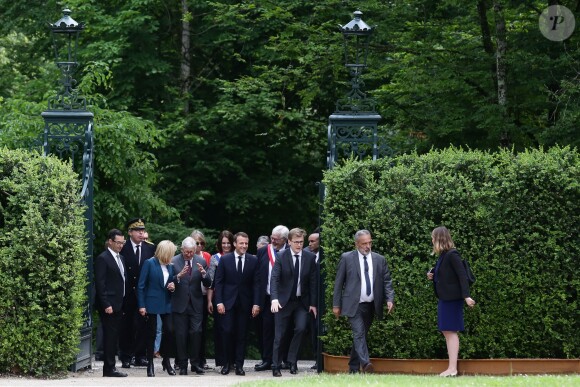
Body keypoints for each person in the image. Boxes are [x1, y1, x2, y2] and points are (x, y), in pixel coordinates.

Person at [333, 229, 395, 374]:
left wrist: (390, 298)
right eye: (364, 243)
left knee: (360, 336)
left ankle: (353, 368)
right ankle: (366, 364)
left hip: (371, 305)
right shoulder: (347, 258)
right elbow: (338, 283)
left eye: (369, 243)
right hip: (353, 304)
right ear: (356, 244)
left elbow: (387, 281)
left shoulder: (379, 259)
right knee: (359, 333)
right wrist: (336, 304)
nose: (368, 246)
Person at [427, 226, 476, 377]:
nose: (432, 240)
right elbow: (445, 275)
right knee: (446, 330)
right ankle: (451, 368)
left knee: (450, 331)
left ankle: (453, 369)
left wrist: (466, 296)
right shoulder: (443, 255)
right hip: (445, 299)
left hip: (453, 300)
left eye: (433, 238)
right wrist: (432, 275)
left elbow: (462, 276)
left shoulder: (452, 254)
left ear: (439, 238)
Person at [270, 228, 318, 377]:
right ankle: (276, 365)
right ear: (289, 242)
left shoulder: (309, 257)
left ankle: (292, 361)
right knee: (280, 335)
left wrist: (313, 303)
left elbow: (313, 282)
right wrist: (274, 298)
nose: (299, 245)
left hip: (301, 302)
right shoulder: (281, 256)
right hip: (283, 301)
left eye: (301, 242)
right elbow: (275, 278)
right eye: (296, 242)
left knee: (301, 329)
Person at [214, 232, 261, 376]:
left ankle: (239, 365)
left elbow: (256, 284)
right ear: (235, 244)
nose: (244, 246)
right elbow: (219, 282)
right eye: (241, 243)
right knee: (227, 332)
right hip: (227, 303)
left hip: (245, 304)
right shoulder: (225, 259)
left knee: (242, 335)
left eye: (246, 243)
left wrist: (256, 304)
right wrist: (219, 302)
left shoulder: (253, 260)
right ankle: (227, 363)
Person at [119, 218, 156, 368]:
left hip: (144, 293)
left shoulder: (149, 248)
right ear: (130, 232)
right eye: (138, 231)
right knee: (126, 326)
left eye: (142, 230)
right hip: (128, 293)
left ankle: (140, 355)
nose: (141, 233)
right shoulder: (123, 247)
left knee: (143, 325)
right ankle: (126, 356)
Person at [171, 237, 211, 375]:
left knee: (196, 332)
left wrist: (204, 274)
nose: (188, 254)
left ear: (195, 250)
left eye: (191, 252)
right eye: (186, 252)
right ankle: (182, 365)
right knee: (181, 335)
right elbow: (168, 282)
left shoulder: (201, 261)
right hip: (179, 303)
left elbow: (208, 283)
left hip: (196, 303)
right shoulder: (174, 261)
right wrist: (178, 277)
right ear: (182, 250)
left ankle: (195, 363)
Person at [137, 240, 177, 377]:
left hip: (166, 303)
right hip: (151, 302)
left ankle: (166, 361)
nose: (171, 256)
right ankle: (150, 364)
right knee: (151, 334)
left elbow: (170, 282)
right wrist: (141, 305)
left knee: (170, 331)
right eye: (170, 253)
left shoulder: (170, 266)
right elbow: (141, 285)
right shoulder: (149, 263)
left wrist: (172, 286)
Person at [94, 229, 128, 377]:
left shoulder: (121, 258)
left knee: (114, 336)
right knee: (109, 336)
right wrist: (106, 304)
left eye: (123, 242)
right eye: (118, 242)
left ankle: (111, 366)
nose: (121, 245)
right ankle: (109, 368)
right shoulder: (103, 258)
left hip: (119, 303)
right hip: (109, 305)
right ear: (110, 241)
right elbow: (100, 284)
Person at [254, 225, 289, 372]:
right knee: (267, 330)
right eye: (272, 237)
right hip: (268, 297)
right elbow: (257, 278)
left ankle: (285, 360)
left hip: (286, 299)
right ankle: (267, 360)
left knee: (284, 331)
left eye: (276, 239)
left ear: (285, 240)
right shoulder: (263, 251)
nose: (273, 241)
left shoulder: (290, 252)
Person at [206, 230, 235, 369]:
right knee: (222, 330)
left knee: (234, 330)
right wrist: (210, 301)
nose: (226, 246)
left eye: (228, 243)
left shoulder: (238, 256)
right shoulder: (215, 258)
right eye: (223, 243)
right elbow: (211, 282)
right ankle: (223, 361)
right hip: (220, 298)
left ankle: (233, 360)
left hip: (235, 298)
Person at [190, 229, 212, 370]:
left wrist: (210, 300)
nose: (199, 245)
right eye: (196, 243)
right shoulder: (186, 256)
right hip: (190, 296)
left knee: (201, 330)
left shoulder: (207, 257)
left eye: (201, 243)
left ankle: (200, 359)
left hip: (203, 296)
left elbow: (210, 280)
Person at [304, 230, 322, 370]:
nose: (309, 244)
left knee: (319, 329)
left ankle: (321, 359)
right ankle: (316, 358)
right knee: (311, 329)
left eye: (312, 241)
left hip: (322, 297)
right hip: (307, 298)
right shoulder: (305, 254)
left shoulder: (325, 254)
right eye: (308, 241)